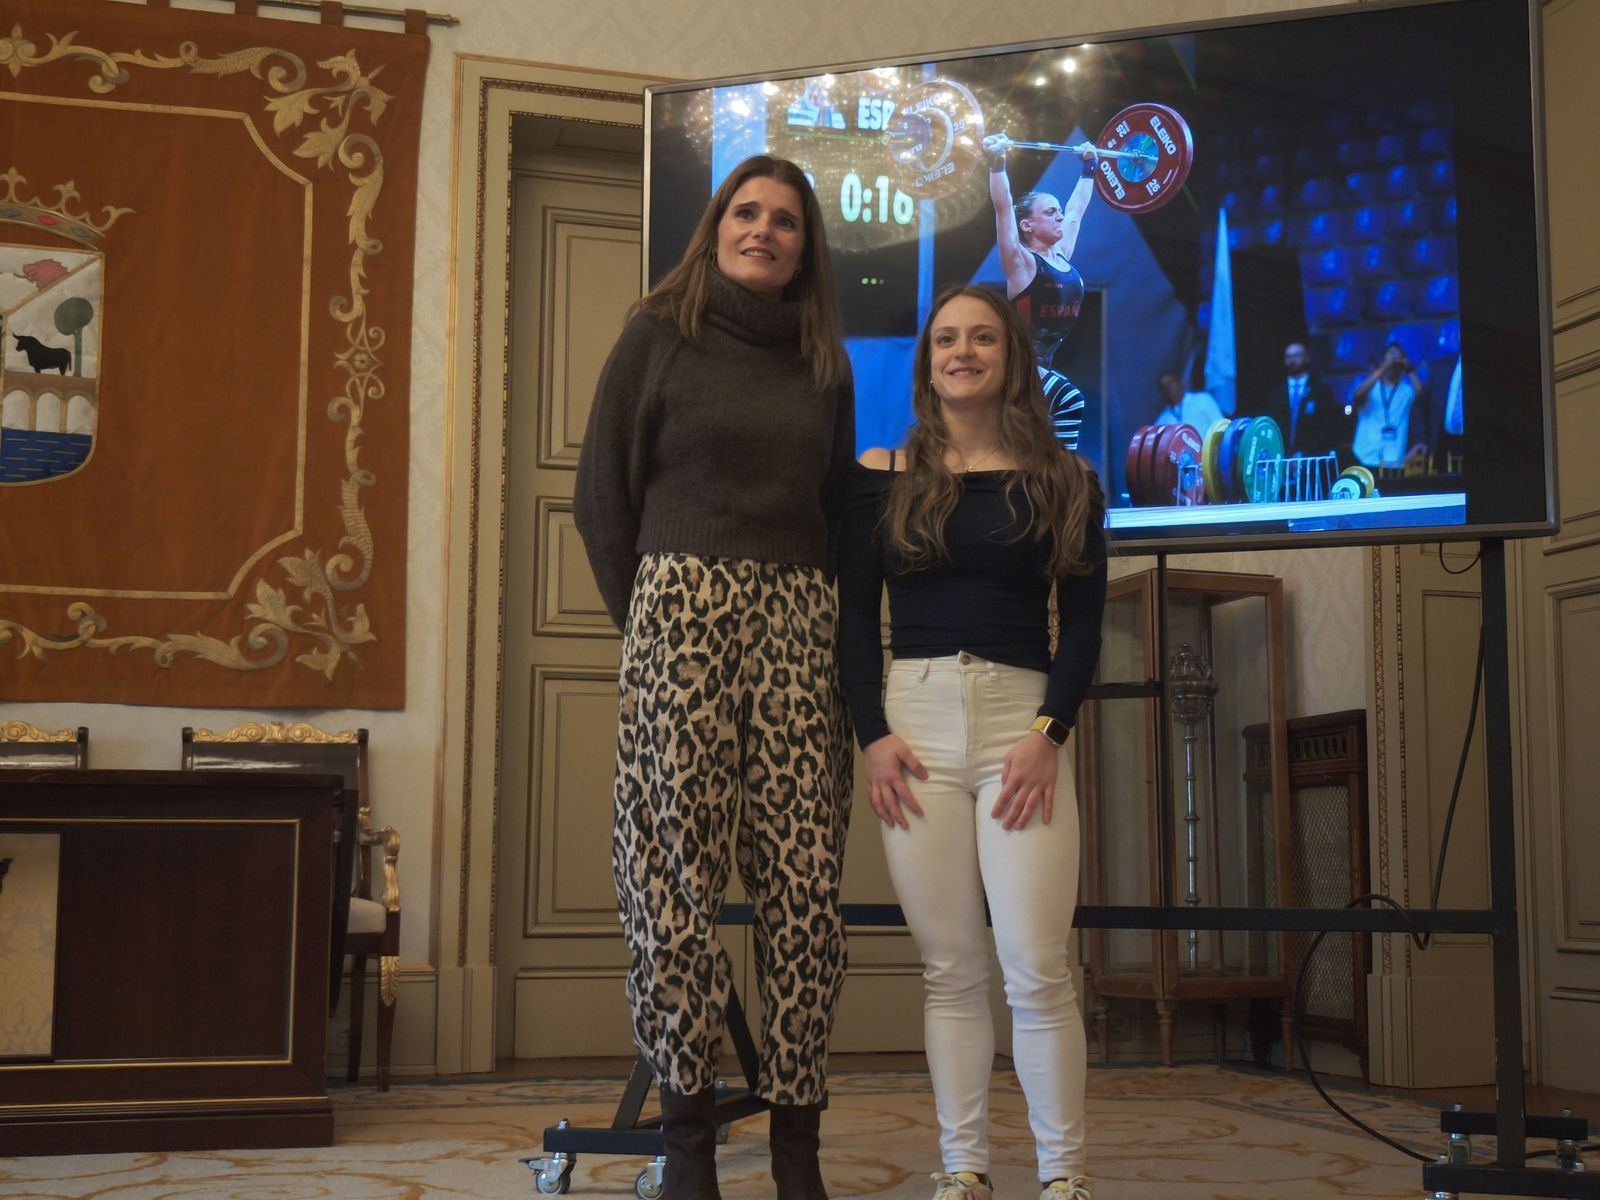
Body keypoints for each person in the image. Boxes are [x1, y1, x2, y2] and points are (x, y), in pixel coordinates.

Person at [572, 154, 855, 1200]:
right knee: (675, 888)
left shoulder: (825, 362)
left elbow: (837, 510)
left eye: (785, 220)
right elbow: (601, 498)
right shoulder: (658, 333)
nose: (763, 231)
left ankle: (795, 1148)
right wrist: (655, 626)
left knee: (803, 893)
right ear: (717, 226)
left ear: (805, 249)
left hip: (800, 625)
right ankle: (689, 1145)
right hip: (679, 616)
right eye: (747, 212)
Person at [838, 283, 1107, 1200]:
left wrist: (1048, 732)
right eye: (947, 338)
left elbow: (1084, 624)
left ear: (1011, 356)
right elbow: (852, 622)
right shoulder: (880, 472)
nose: (963, 352)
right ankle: (963, 1170)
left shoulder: (1067, 480)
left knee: (1036, 966)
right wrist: (872, 737)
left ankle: (1064, 1176)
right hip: (911, 730)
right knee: (950, 969)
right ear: (928, 361)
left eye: (983, 337)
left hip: (1020, 731)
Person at [984, 133, 1099, 452]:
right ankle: (1066, 473)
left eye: (1057, 211)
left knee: (1033, 443)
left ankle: (1052, 478)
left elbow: (1077, 209)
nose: (1059, 216)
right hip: (1014, 368)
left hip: (1040, 370)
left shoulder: (1061, 255)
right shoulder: (1021, 263)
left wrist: (1089, 167)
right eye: (1049, 212)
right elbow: (1003, 207)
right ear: (1027, 226)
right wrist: (997, 162)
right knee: (1070, 399)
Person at [1262, 341, 1351, 460]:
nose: (1292, 360)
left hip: (1312, 457)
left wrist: (1305, 453)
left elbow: (1327, 426)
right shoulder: (1276, 393)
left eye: (1296, 355)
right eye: (1288, 356)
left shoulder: (1321, 390)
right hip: (1282, 457)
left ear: (1307, 358)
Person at [1349, 340, 1428, 468]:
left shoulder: (1406, 390)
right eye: (1391, 355)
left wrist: (1409, 369)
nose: (1394, 361)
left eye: (1398, 357)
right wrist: (1383, 368)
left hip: (1393, 460)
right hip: (1364, 455)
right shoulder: (1372, 387)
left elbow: (1422, 395)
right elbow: (1357, 396)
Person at [1153, 368, 1224, 431]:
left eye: (1170, 383)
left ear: (1180, 382)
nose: (1167, 388)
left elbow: (1220, 427)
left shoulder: (1202, 399)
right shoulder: (1162, 421)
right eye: (1163, 387)